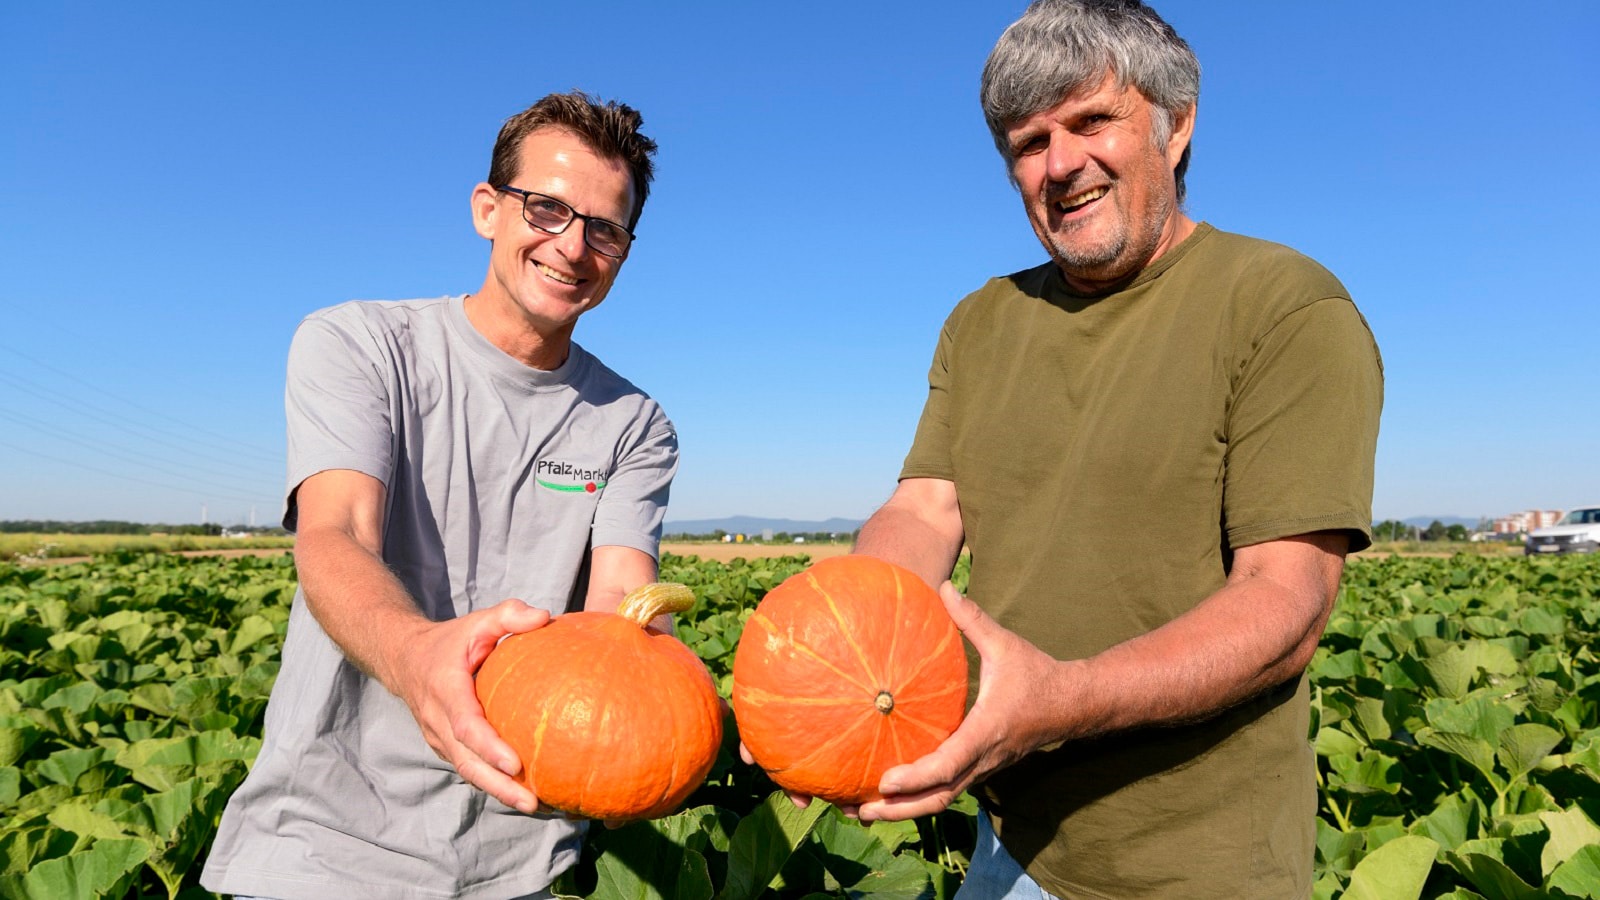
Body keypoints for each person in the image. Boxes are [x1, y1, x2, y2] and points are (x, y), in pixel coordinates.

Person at [849, 1, 1383, 897]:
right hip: (1011, 839)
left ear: (1176, 127)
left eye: (1093, 120)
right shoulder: (983, 319)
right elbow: (923, 507)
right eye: (1028, 142)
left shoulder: (1283, 306)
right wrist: (854, 635)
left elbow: (1285, 602)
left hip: (1197, 867)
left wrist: (1059, 701)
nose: (1061, 164)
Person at [201, 91, 679, 900]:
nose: (573, 246)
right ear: (487, 210)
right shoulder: (361, 345)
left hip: (522, 857)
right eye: (548, 209)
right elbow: (335, 534)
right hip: (325, 851)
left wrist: (672, 689)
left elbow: (622, 604)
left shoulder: (635, 424)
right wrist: (417, 656)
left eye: (604, 228)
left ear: (625, 250)